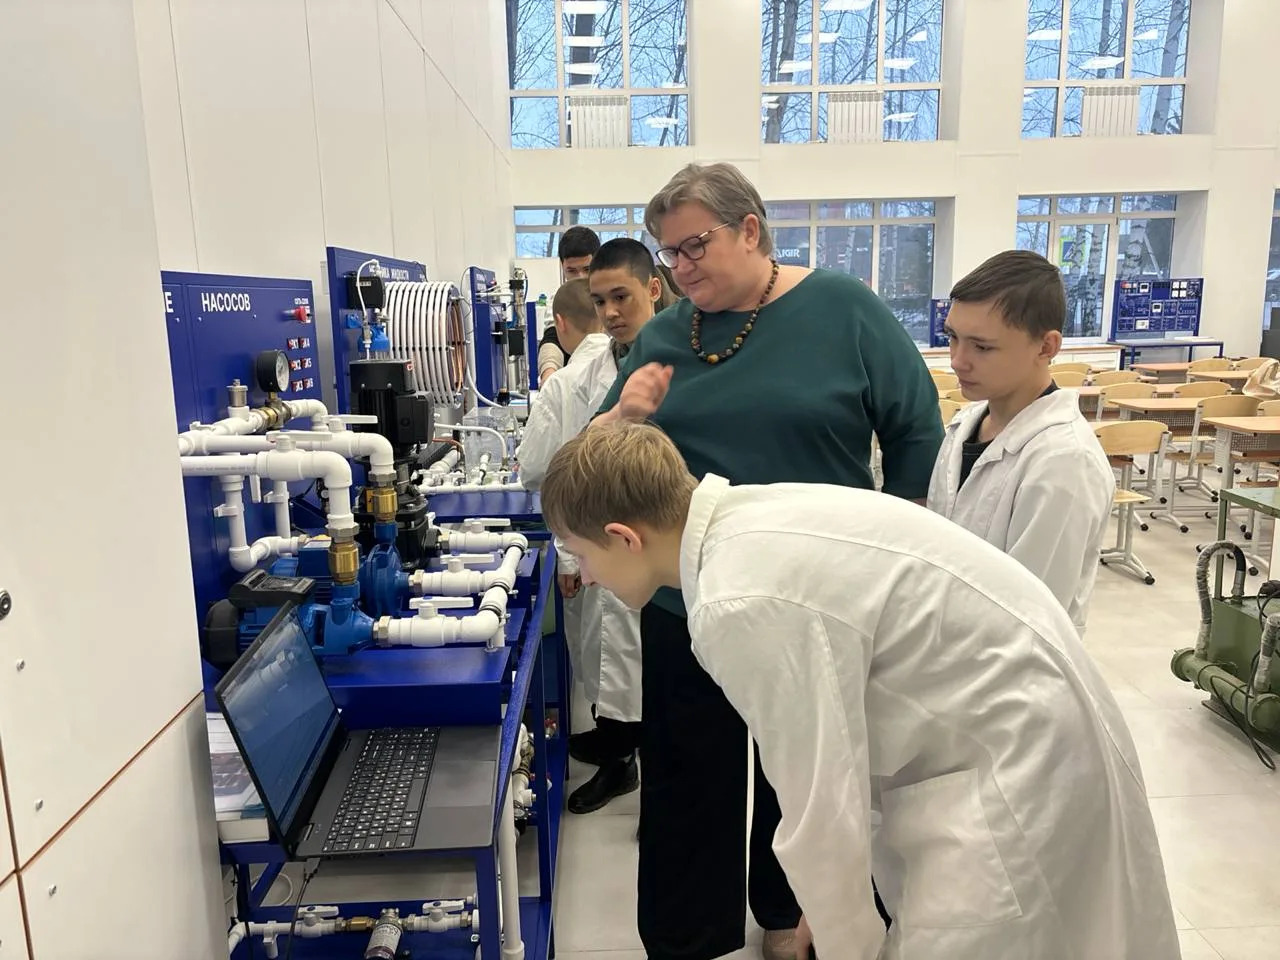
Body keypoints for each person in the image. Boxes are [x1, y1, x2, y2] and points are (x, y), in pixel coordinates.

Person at [538, 421, 1180, 960]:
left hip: (1023, 758)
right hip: (1013, 726)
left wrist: (839, 930)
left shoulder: (737, 598)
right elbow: (833, 772)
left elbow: (819, 800)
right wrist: (828, 905)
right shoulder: (743, 520)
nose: (584, 576)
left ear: (624, 537)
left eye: (580, 554)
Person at [594, 162, 942, 960]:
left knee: (805, 771)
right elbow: (607, 453)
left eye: (694, 246)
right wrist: (623, 417)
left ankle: (794, 918)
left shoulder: (843, 309)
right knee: (687, 776)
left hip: (815, 598)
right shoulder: (663, 335)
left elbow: (916, 426)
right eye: (669, 253)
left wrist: (899, 538)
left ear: (750, 229)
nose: (680, 268)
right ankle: (687, 937)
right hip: (690, 598)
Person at [518, 240, 664, 812]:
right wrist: (572, 551)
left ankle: (634, 766)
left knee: (645, 667)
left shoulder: (677, 360)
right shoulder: (588, 374)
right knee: (612, 659)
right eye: (601, 301)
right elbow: (556, 468)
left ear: (654, 289)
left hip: (660, 544)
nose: (610, 312)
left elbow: (538, 467)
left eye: (620, 296)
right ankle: (617, 753)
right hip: (606, 544)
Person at [927, 250, 1114, 633]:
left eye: (982, 347)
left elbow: (1029, 619)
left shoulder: (1064, 462)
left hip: (1008, 661)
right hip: (948, 644)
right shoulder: (964, 426)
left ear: (1046, 347)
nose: (957, 361)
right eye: (952, 338)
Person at [539, 226, 602, 382]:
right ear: (562, 267)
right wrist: (548, 373)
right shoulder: (559, 300)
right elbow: (552, 339)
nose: (580, 277)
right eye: (571, 271)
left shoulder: (610, 297)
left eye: (587, 269)